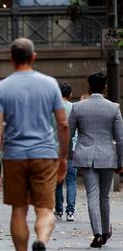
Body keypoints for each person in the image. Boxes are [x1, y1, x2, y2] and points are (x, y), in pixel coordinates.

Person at [0, 38, 68, 251]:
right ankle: (41, 242)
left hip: (14, 156)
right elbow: (63, 124)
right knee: (45, 210)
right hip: (45, 153)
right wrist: (63, 157)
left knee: (19, 210)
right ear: (34, 57)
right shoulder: (50, 85)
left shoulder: (2, 88)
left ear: (11, 59)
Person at [68, 72, 123, 248]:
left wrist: (67, 154)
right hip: (107, 155)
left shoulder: (77, 107)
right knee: (104, 197)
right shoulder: (114, 107)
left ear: (89, 87)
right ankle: (106, 231)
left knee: (92, 194)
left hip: (85, 155)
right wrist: (121, 161)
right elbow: (120, 138)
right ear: (105, 87)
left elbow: (68, 134)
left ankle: (97, 233)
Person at [54, 81, 78, 222]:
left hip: (55, 149)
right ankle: (70, 211)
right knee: (71, 180)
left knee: (57, 181)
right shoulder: (75, 108)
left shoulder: (52, 109)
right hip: (71, 149)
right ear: (70, 94)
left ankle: (59, 210)